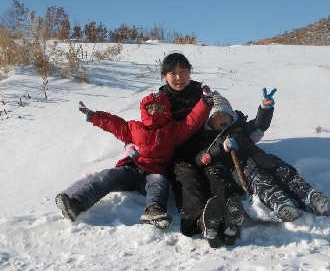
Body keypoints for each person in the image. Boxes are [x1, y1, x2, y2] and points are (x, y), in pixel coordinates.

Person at [55, 90, 213, 229]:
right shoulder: (134, 127)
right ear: (144, 110)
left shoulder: (172, 130)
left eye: (159, 107)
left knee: (158, 183)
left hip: (154, 171)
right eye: (150, 108)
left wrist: (205, 103)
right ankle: (76, 204)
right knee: (107, 176)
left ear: (166, 110)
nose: (154, 110)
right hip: (131, 168)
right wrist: (93, 116)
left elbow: (191, 122)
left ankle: (155, 211)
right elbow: (113, 124)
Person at [158, 51, 262, 248]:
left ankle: (229, 220)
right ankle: (201, 221)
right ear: (165, 76)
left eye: (183, 71)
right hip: (180, 155)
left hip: (208, 150)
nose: (179, 77)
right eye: (173, 73)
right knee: (189, 184)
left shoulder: (203, 93)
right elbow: (152, 125)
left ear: (190, 72)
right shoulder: (162, 101)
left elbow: (223, 112)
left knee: (217, 178)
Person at [195, 88, 330, 227]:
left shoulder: (240, 127)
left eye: (225, 114)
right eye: (216, 116)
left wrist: (265, 109)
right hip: (243, 171)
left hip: (264, 159)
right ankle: (281, 203)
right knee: (263, 184)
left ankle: (309, 196)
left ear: (232, 116)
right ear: (209, 122)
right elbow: (201, 156)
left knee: (286, 173)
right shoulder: (210, 139)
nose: (222, 117)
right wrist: (221, 148)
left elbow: (259, 124)